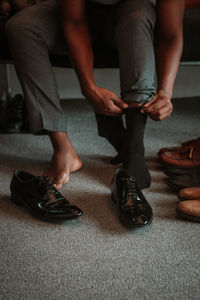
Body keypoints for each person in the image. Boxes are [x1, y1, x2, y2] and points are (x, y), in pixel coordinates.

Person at [5, 0, 185, 226]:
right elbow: (74, 21)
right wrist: (89, 88)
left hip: (129, 16)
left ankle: (134, 151)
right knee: (22, 26)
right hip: (77, 13)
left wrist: (165, 93)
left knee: (137, 14)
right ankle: (63, 149)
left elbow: (171, 35)